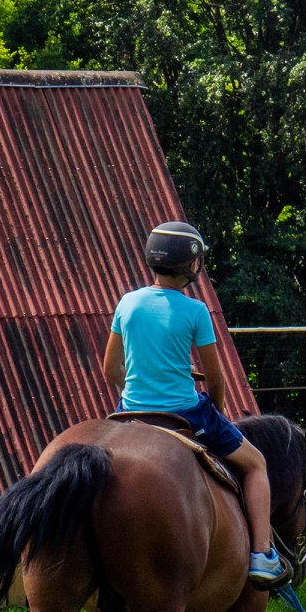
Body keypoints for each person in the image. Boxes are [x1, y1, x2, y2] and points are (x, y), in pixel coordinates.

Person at [103, 220, 284, 586]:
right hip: (186, 413)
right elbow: (215, 377)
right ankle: (262, 554)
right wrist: (216, 411)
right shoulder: (196, 311)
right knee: (256, 464)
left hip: (132, 412)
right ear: (192, 265)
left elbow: (110, 367)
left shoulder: (128, 302)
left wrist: (133, 394)